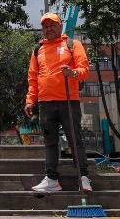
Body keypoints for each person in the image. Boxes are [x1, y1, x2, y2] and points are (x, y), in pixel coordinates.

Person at [24, 12, 92, 193]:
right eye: (45, 26)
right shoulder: (37, 50)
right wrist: (30, 100)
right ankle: (52, 179)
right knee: (50, 142)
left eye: (52, 24)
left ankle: (83, 177)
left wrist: (73, 72)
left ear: (60, 25)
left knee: (75, 140)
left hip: (69, 101)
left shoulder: (72, 45)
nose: (49, 28)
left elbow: (84, 69)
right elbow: (32, 78)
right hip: (45, 103)